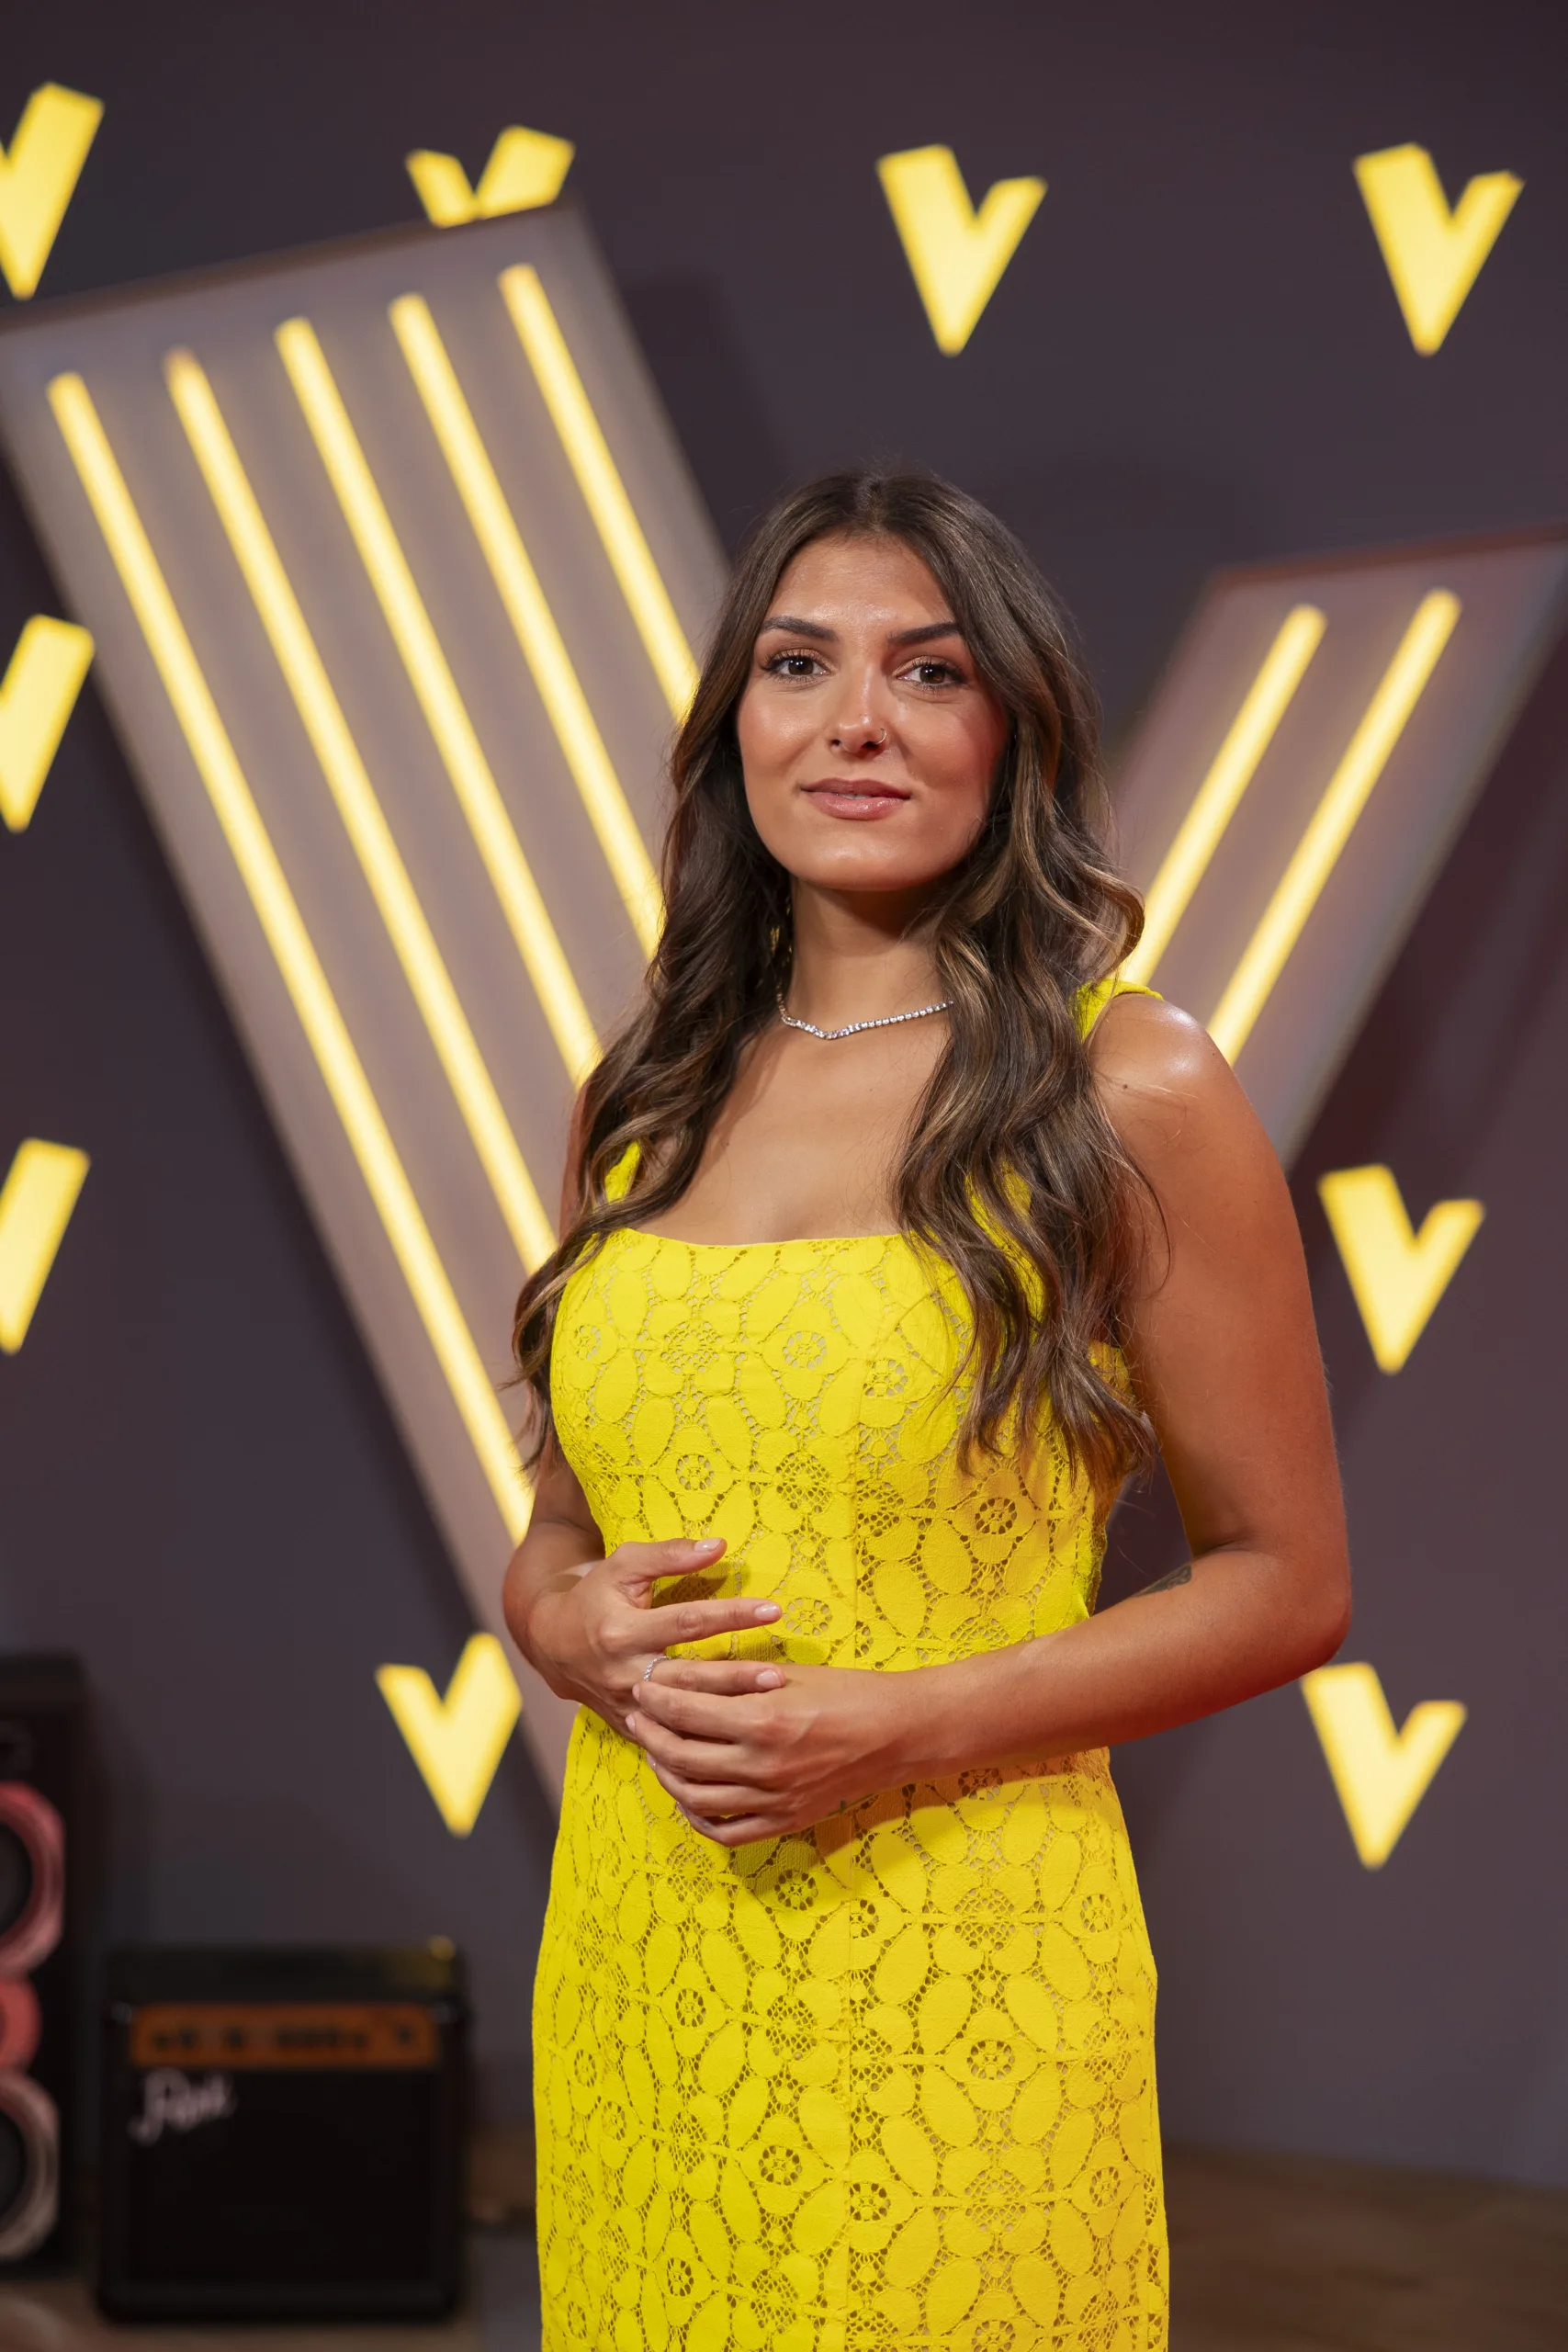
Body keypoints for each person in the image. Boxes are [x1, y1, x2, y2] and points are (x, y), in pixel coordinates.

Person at [504, 469, 1349, 2352]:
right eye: (798, 663)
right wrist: (564, 1629)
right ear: (736, 725)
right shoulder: (642, 1095)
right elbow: (556, 1537)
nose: (856, 720)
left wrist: (898, 1725)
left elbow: (1285, 1582)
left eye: (929, 669)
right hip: (643, 1956)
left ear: (1013, 731)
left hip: (960, 1965)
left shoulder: (1129, 1083)